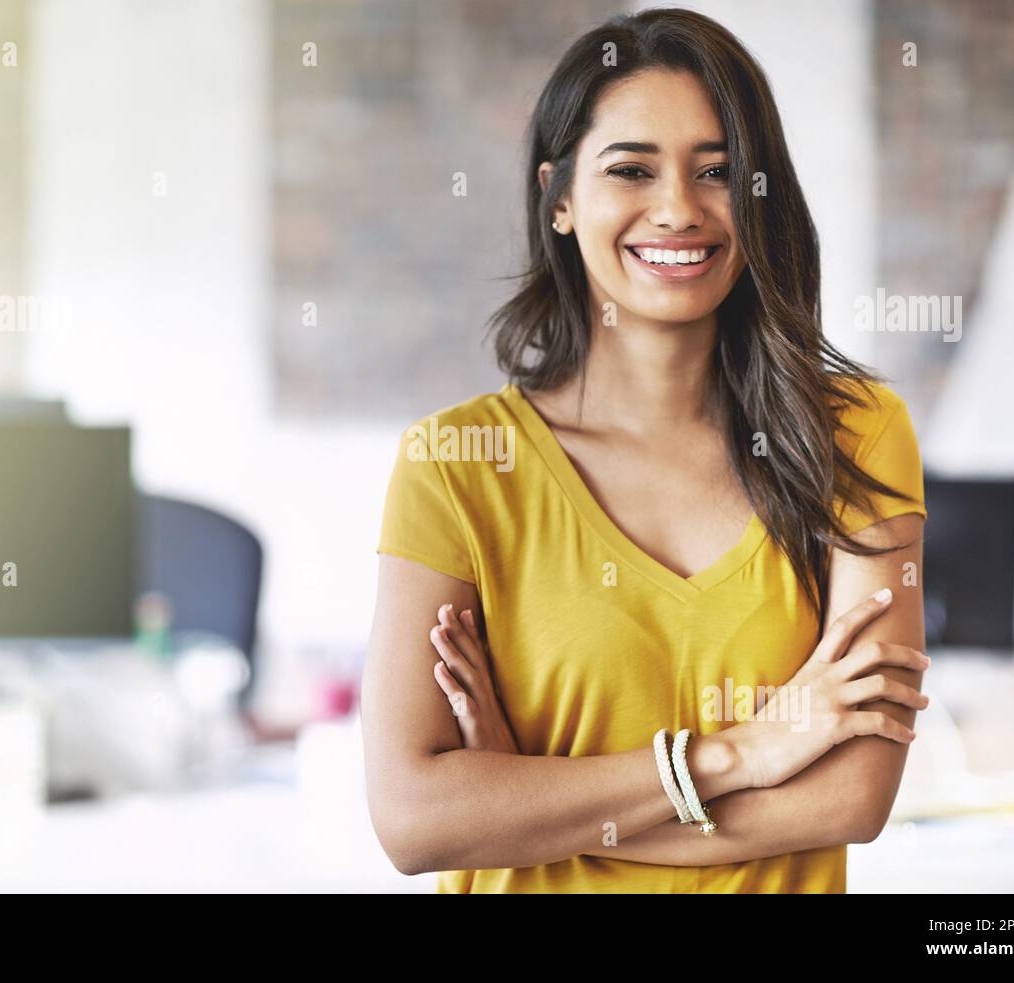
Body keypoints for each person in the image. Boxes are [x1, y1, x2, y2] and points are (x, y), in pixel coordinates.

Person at [361, 7, 930, 893]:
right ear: (559, 199)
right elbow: (414, 819)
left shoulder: (855, 434)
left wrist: (531, 803)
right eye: (631, 169)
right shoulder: (456, 465)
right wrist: (744, 751)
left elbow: (851, 797)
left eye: (718, 172)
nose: (678, 210)